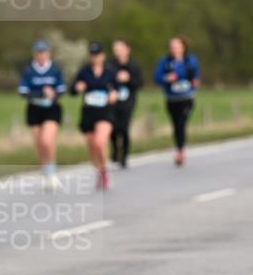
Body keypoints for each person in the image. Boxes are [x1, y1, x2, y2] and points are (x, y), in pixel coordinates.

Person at [18, 40, 67, 190]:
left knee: (47, 140)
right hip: (34, 109)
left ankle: (52, 171)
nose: (41, 56)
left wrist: (53, 94)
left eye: (44, 52)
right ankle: (46, 168)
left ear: (48, 53)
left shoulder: (55, 69)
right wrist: (40, 93)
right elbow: (23, 91)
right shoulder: (28, 70)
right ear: (35, 54)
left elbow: (61, 89)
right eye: (38, 53)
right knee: (39, 143)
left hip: (51, 109)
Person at [71, 42, 118, 189]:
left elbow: (117, 89)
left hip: (105, 112)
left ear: (103, 56)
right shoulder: (84, 72)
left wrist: (113, 95)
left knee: (99, 142)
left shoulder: (110, 72)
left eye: (97, 55)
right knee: (92, 146)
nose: (95, 58)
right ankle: (99, 170)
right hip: (89, 112)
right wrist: (78, 88)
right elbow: (72, 90)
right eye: (92, 55)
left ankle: (104, 170)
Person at [153, 36, 200, 167]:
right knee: (176, 125)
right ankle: (179, 148)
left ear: (183, 46)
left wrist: (194, 82)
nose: (173, 48)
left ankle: (180, 152)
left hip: (186, 98)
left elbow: (195, 75)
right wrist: (167, 78)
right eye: (172, 46)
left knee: (181, 123)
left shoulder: (190, 60)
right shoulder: (165, 61)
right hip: (172, 99)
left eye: (176, 45)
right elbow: (157, 78)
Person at [107, 39, 144, 169]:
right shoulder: (110, 65)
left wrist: (128, 79)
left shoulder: (134, 65)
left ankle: (125, 155)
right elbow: (105, 80)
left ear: (127, 49)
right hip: (113, 101)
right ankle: (115, 150)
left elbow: (140, 83)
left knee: (124, 128)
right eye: (115, 48)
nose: (117, 51)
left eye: (120, 48)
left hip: (128, 102)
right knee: (111, 127)